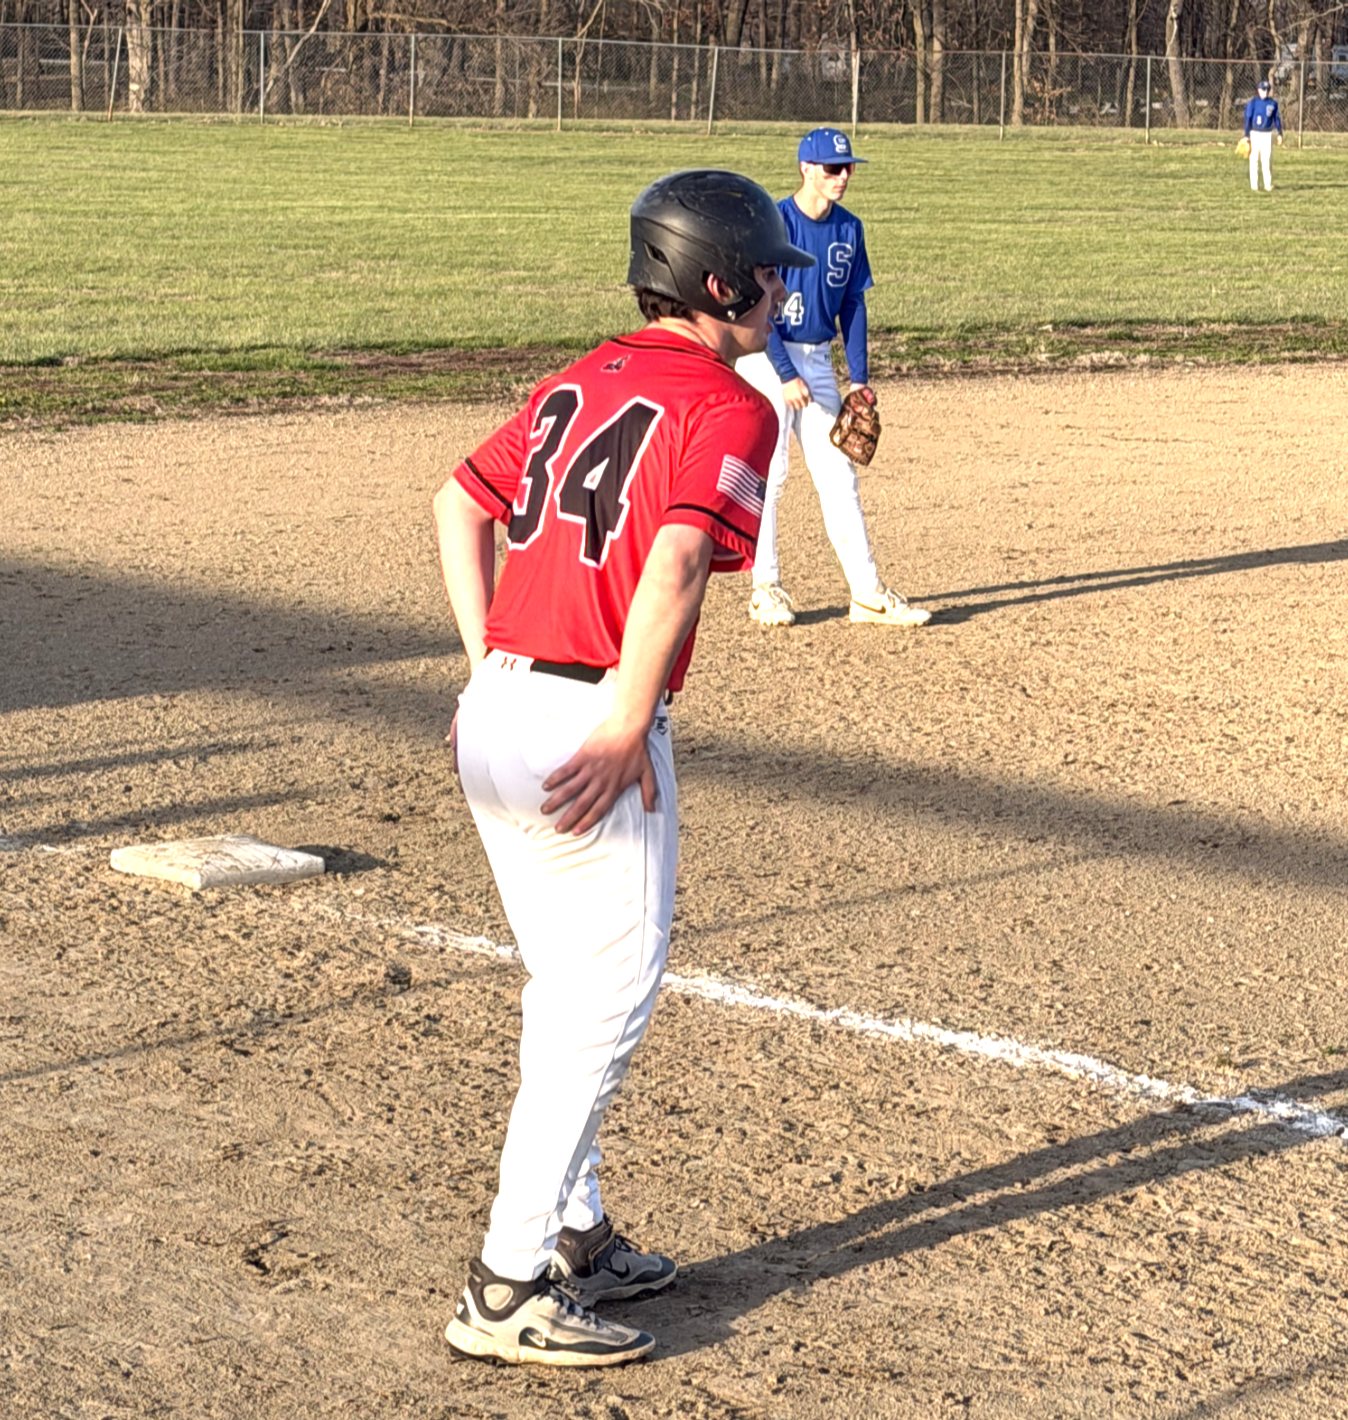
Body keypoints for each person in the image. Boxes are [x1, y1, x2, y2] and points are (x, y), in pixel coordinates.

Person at [432, 169, 812, 1367]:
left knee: (561, 979)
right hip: (586, 719)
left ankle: (578, 1231)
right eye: (764, 274)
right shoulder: (730, 398)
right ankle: (506, 1286)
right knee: (603, 999)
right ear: (716, 283)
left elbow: (458, 499)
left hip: (496, 707)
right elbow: (683, 559)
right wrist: (621, 718)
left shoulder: (576, 377)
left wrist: (486, 659)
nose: (774, 294)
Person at [735, 126, 930, 629]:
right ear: (806, 168)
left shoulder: (849, 229)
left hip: (818, 360)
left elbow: (852, 304)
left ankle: (866, 593)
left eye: (847, 168)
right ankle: (765, 587)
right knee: (771, 477)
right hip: (765, 357)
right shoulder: (774, 223)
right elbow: (757, 307)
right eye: (832, 168)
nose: (842, 177)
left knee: (839, 476)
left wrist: (858, 377)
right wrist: (782, 372)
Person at [1244, 78, 1283, 192]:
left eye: (1266, 90)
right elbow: (1248, 118)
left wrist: (1280, 133)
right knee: (1254, 160)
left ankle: (1268, 184)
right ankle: (1254, 185)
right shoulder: (1253, 102)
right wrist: (1246, 134)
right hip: (1255, 133)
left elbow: (1276, 119)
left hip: (1267, 134)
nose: (1264, 92)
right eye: (1262, 90)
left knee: (1267, 160)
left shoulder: (1272, 103)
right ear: (1258, 90)